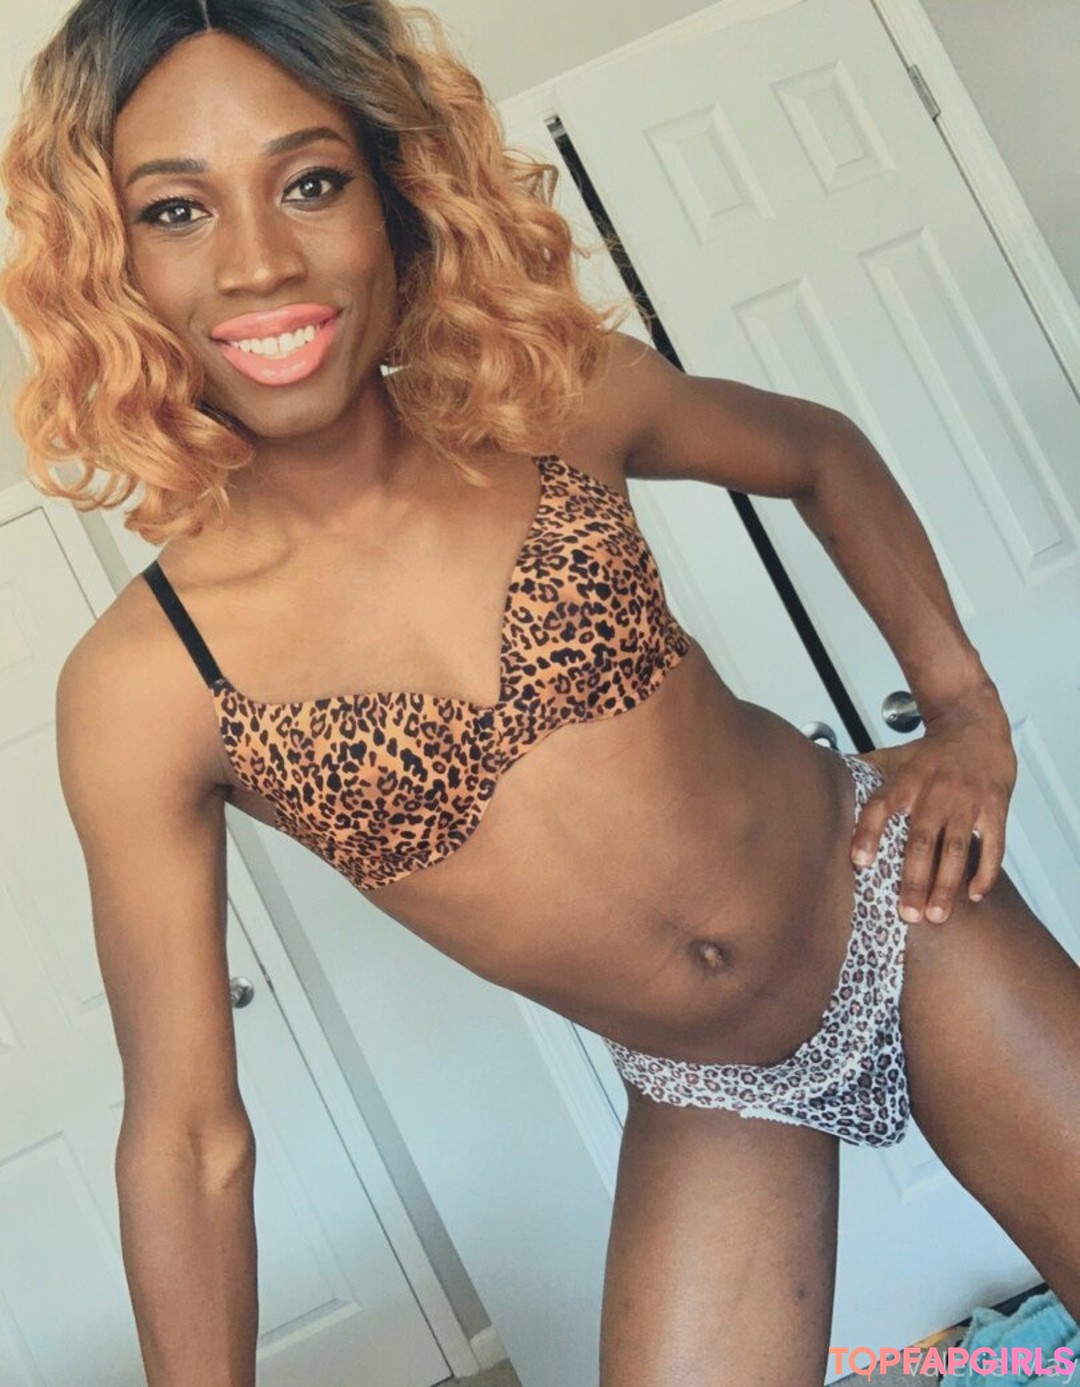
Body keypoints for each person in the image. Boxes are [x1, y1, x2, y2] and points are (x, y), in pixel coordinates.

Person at [1, 1, 1077, 1383]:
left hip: (895, 910)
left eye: (311, 182)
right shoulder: (147, 685)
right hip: (706, 1081)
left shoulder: (541, 403)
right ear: (110, 262)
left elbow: (818, 451)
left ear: (396, 193)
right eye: (176, 210)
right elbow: (187, 1141)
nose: (259, 260)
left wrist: (962, 707)